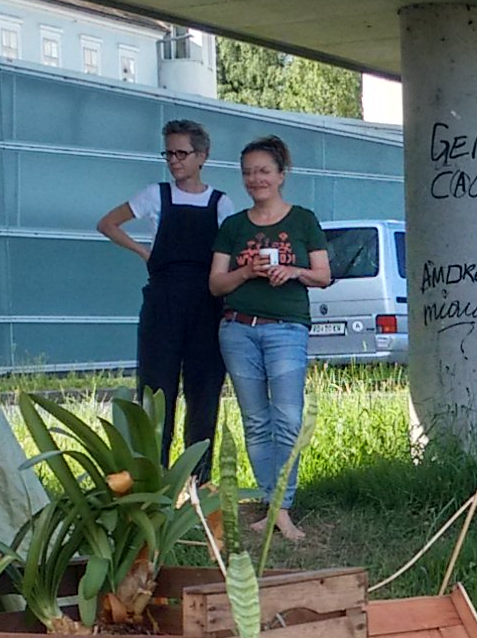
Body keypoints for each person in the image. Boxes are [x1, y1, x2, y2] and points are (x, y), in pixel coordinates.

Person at [209, 135, 332, 540]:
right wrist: (247, 271)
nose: (255, 179)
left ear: (281, 175)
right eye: (247, 172)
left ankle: (283, 504)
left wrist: (292, 271)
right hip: (238, 328)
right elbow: (216, 285)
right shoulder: (233, 225)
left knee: (289, 419)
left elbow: (323, 275)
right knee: (256, 421)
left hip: (286, 328)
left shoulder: (303, 220)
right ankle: (270, 502)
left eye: (263, 171)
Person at [93, 120, 225, 461]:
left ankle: (199, 482)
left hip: (206, 307)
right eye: (168, 153)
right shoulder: (156, 195)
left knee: (204, 392)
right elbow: (108, 223)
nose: (174, 160)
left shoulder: (222, 204)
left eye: (181, 153)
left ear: (202, 156)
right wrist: (144, 252)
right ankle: (154, 477)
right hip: (163, 303)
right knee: (156, 391)